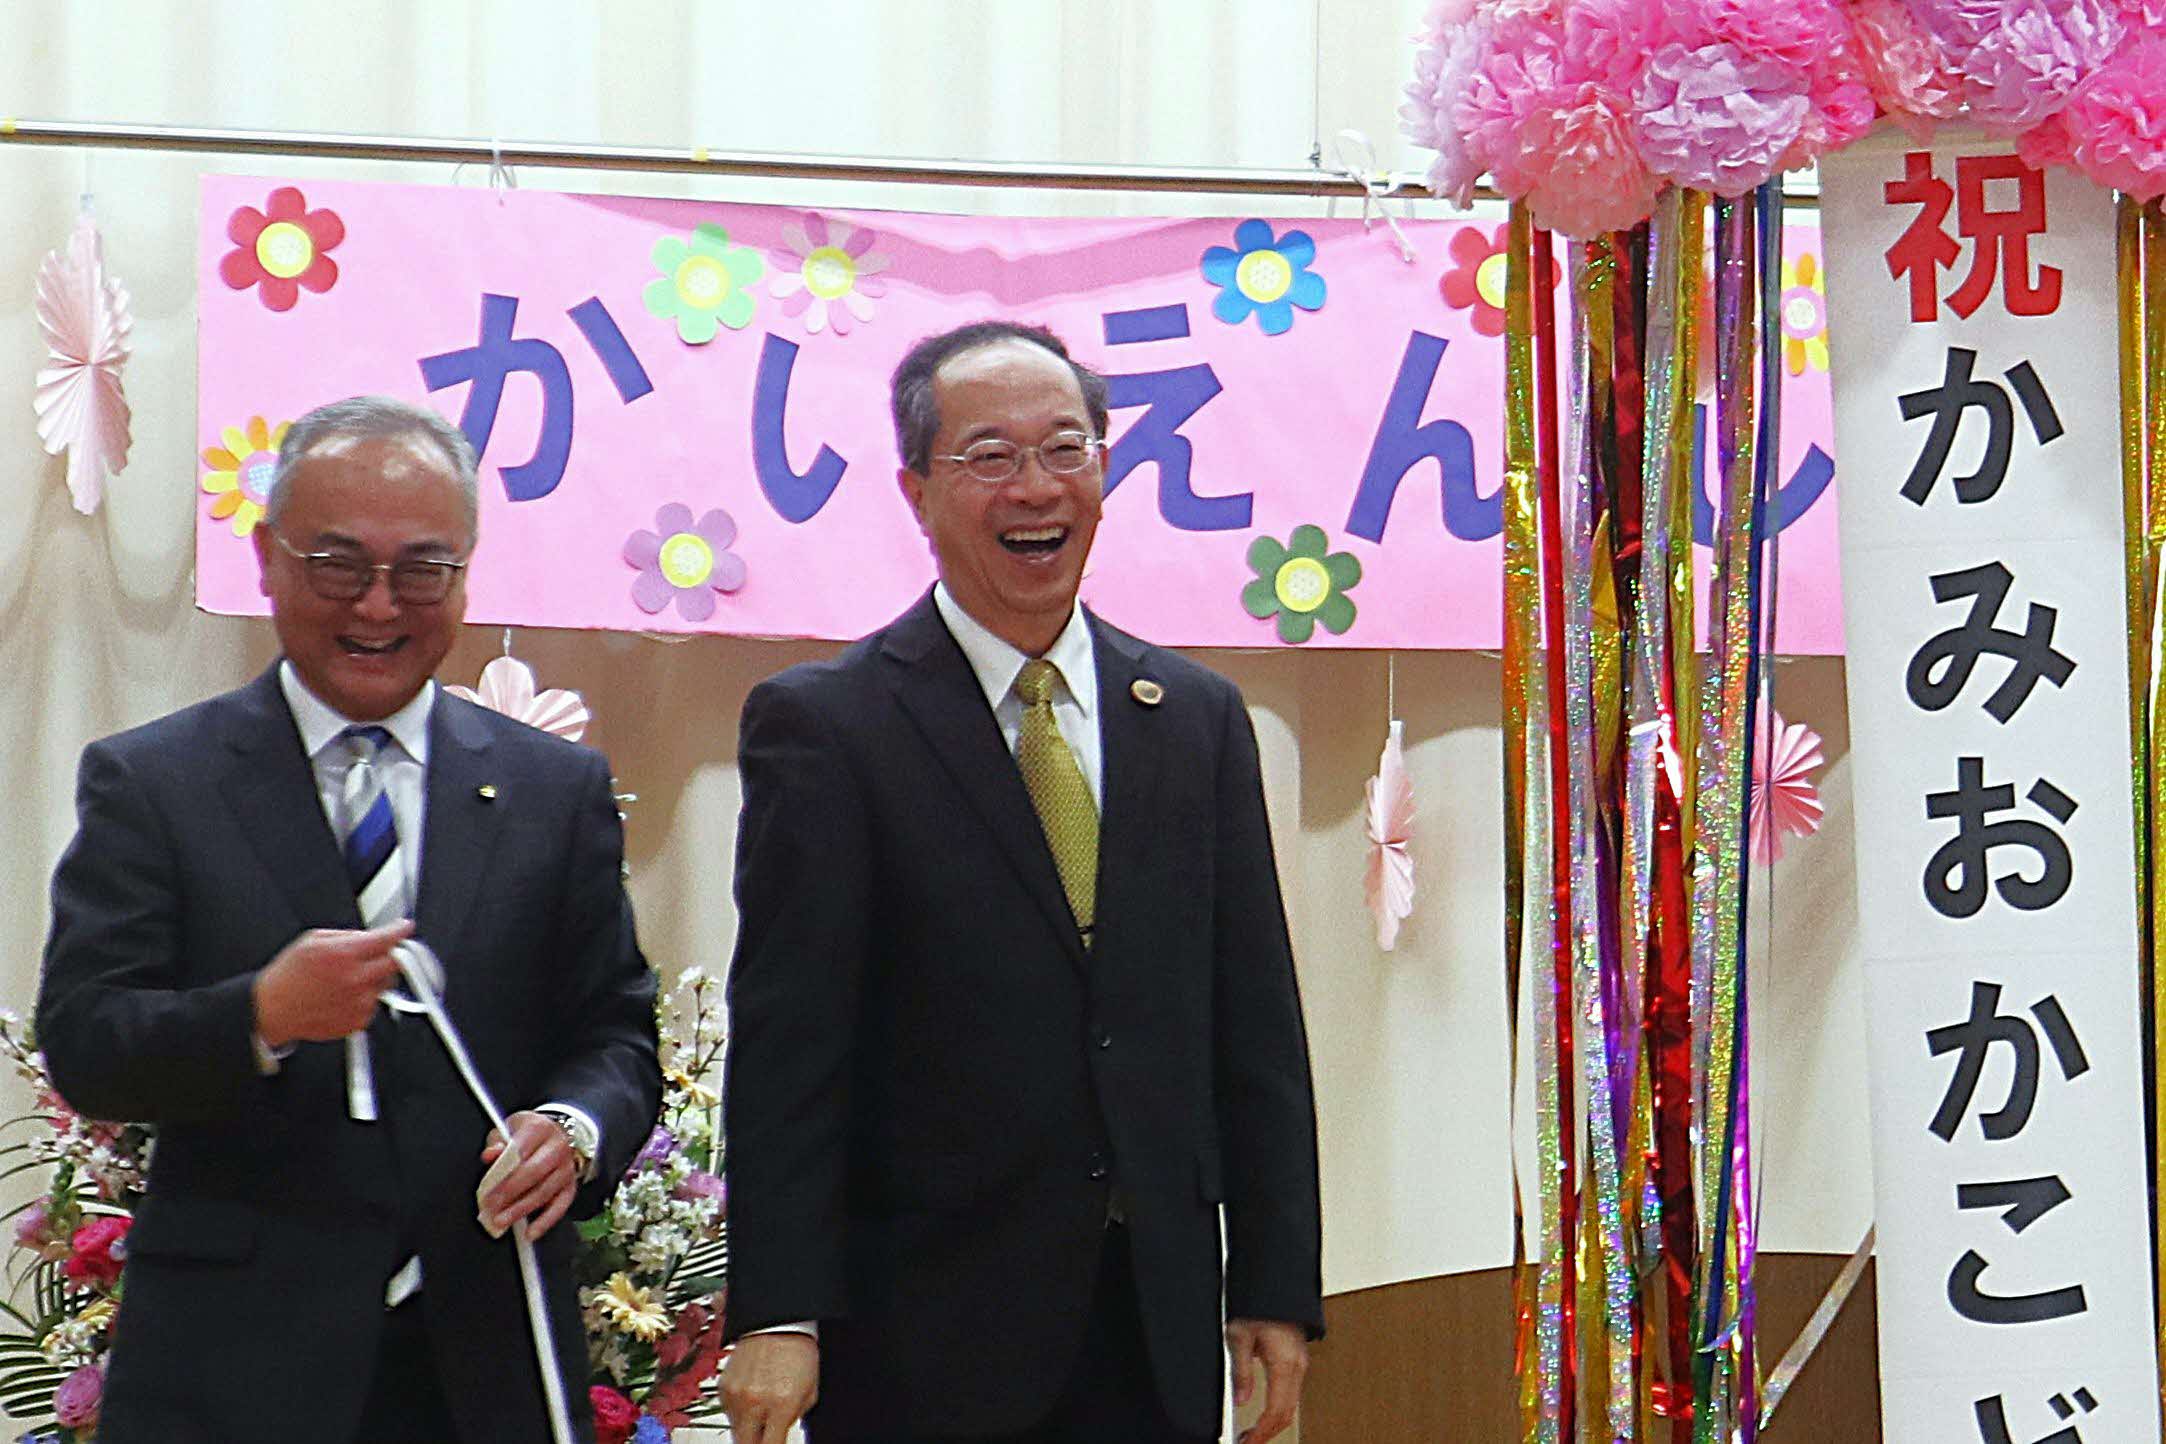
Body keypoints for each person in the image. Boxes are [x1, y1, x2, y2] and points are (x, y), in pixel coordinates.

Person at [721, 321, 1323, 1444]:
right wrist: (777, 1308)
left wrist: (1275, 1282)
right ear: (916, 490)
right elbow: (789, 1045)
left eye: (1066, 448)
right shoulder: (828, 726)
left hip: (1151, 1314)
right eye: (989, 456)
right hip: (921, 1327)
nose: (1035, 486)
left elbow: (1255, 1026)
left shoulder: (1195, 718)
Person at [36, 395, 660, 1444]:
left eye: (422, 568)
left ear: (465, 573)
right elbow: (89, 1044)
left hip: (482, 1362)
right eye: (338, 564)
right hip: (231, 1369)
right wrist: (260, 1013)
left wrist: (575, 1128)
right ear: (268, 559)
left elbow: (614, 1033)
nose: (379, 605)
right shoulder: (156, 782)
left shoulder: (555, 789)